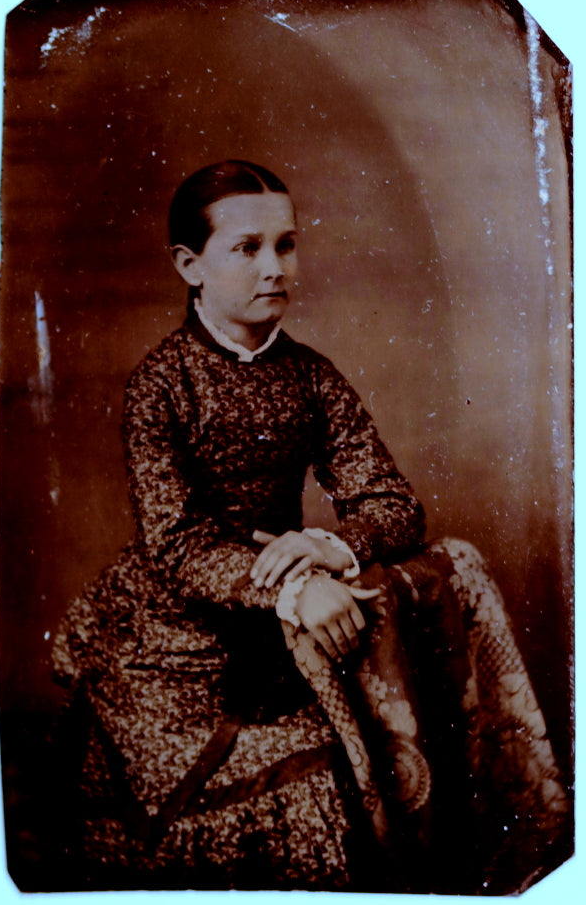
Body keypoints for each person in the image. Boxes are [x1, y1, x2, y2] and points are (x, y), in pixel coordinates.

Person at [52, 160, 569, 893]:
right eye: (247, 248)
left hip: (291, 627)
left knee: (372, 770)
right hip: (176, 641)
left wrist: (325, 545)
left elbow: (391, 502)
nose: (274, 267)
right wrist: (295, 591)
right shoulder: (160, 385)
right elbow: (178, 545)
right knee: (299, 795)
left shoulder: (311, 377)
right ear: (188, 265)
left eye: (286, 245)